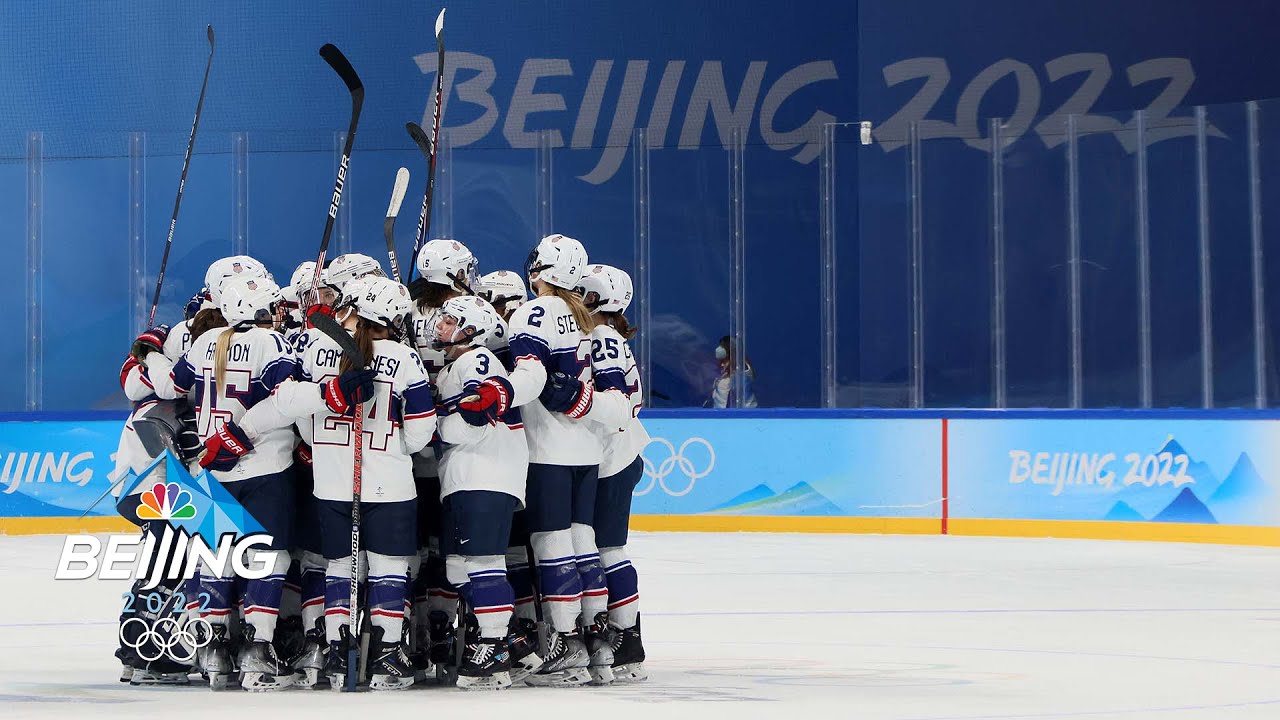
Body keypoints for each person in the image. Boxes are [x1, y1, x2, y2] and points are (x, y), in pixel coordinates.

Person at [237, 275, 435, 690]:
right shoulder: (403, 357)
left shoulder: (314, 348)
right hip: (391, 483)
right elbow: (420, 431)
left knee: (339, 568)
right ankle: (384, 656)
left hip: (330, 482)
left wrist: (327, 449)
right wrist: (393, 446)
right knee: (387, 570)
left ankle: (334, 653)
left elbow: (303, 419)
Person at [458, 233, 617, 686]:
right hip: (587, 450)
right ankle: (594, 643)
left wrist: (499, 391)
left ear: (542, 269)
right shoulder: (585, 318)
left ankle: (564, 645)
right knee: (583, 544)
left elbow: (532, 375)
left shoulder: (537, 310)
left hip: (548, 448)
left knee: (551, 547)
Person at [148, 273, 299, 691]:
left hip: (212, 469)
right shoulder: (272, 343)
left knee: (216, 557)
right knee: (270, 558)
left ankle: (214, 648)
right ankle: (257, 648)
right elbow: (285, 397)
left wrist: (149, 352)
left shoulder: (203, 342)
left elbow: (168, 384)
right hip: (266, 464)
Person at [431, 295, 537, 689]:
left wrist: (434, 422)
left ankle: (494, 646)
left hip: (486, 475)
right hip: (464, 476)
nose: (440, 326)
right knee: (459, 566)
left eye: (450, 321)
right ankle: (509, 638)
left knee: (483, 561)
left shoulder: (478, 359)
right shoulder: (453, 366)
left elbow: (477, 415)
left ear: (472, 330)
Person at [404, 238, 478, 677]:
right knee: (447, 549)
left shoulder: (404, 312)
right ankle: (441, 630)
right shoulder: (469, 315)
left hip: (409, 452)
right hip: (452, 453)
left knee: (412, 550)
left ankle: (413, 633)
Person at [576, 264, 649, 682]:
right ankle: (622, 636)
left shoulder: (603, 338)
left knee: (607, 550)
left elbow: (611, 405)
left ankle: (626, 638)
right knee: (601, 549)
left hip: (612, 457)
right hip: (613, 455)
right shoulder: (607, 336)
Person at [709, 335, 758, 408]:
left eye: (722, 346)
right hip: (720, 413)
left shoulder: (741, 365)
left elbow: (734, 391)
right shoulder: (723, 367)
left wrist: (735, 350)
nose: (719, 349)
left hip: (742, 413)